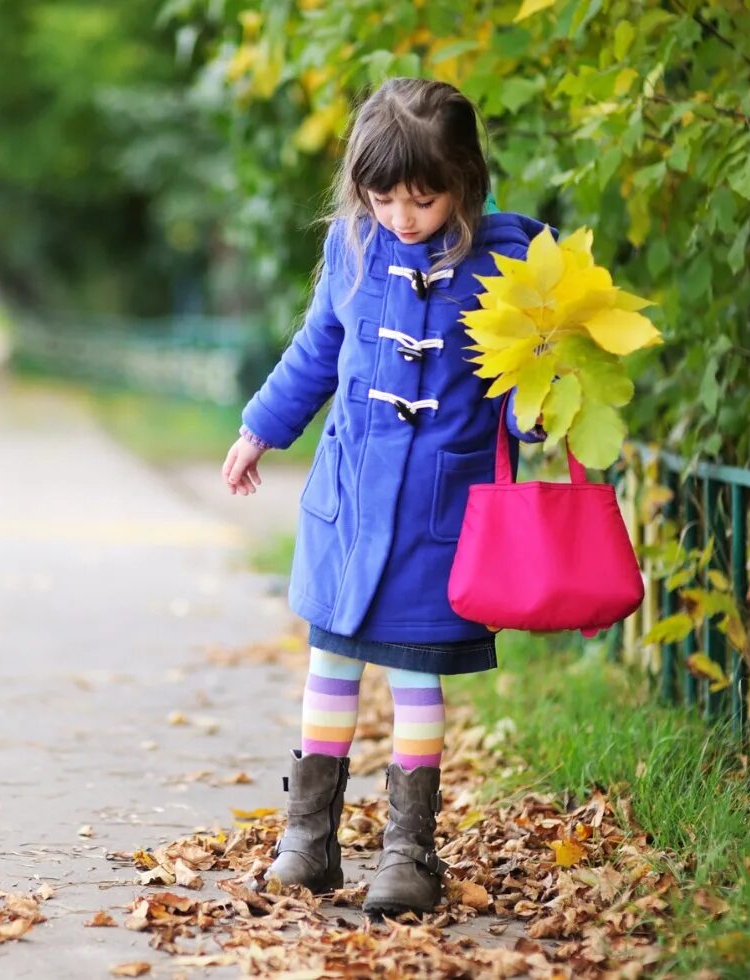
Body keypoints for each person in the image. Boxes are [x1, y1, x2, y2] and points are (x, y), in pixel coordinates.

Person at [221, 77, 549, 918]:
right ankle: (309, 839)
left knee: (412, 676)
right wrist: (260, 428)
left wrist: (537, 407)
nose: (403, 215)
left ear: (465, 181)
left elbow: (524, 379)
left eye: (424, 198)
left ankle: (409, 852)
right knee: (330, 662)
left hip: (441, 509)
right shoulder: (353, 246)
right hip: (348, 501)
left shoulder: (511, 261)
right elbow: (315, 348)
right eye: (384, 195)